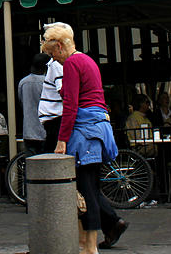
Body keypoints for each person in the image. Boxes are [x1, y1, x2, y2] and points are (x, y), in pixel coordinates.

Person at [46, 21, 127, 253]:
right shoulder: (88, 60)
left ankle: (88, 247)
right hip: (100, 129)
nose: (55, 60)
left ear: (60, 46)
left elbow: (71, 105)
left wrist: (62, 140)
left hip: (84, 132)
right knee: (93, 187)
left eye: (53, 54)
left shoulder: (71, 63)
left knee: (85, 191)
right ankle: (86, 243)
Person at [38, 24, 65, 152]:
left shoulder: (55, 65)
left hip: (53, 117)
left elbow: (63, 92)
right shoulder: (56, 65)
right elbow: (63, 92)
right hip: (55, 117)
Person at [18, 53, 49, 155]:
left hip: (29, 130)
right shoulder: (47, 83)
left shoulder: (23, 82)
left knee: (31, 163)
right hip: (44, 130)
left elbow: (21, 102)